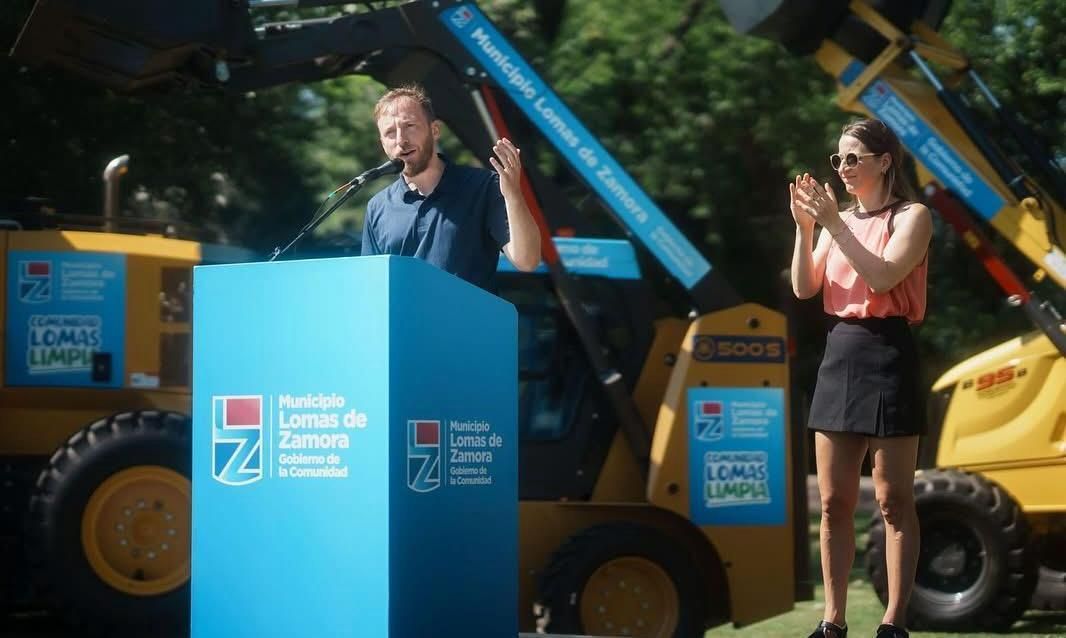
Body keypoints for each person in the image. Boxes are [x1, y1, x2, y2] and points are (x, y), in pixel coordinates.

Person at [789, 118, 933, 638]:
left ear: (884, 161)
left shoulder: (912, 216)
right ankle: (833, 620)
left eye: (854, 158)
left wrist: (833, 224)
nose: (843, 168)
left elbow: (882, 275)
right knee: (833, 503)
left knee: (894, 501)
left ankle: (894, 621)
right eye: (839, 159)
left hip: (889, 352)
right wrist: (806, 228)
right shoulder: (839, 222)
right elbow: (805, 288)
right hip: (841, 353)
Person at [361, 84, 541, 289]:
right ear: (382, 143)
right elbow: (372, 286)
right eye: (390, 133)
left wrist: (513, 195)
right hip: (406, 312)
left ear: (435, 130)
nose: (401, 140)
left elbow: (527, 261)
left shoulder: (483, 186)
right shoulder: (378, 207)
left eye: (409, 126)